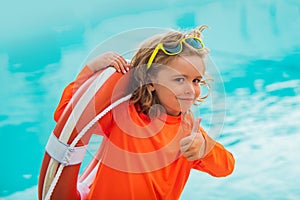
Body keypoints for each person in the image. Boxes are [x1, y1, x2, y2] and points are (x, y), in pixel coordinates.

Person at [38, 25, 235, 200]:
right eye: (179, 80)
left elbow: (226, 167)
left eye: (196, 81)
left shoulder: (189, 131)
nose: (191, 90)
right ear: (151, 82)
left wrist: (205, 149)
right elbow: (68, 119)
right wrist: (90, 70)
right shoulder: (125, 115)